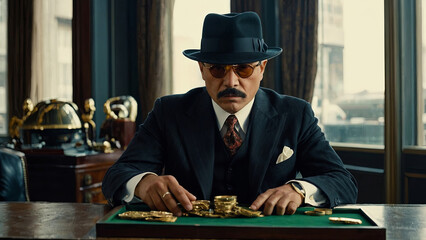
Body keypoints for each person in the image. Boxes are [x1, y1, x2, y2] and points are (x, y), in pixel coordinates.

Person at [102, 11, 357, 216]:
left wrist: (300, 190)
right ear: (202, 69)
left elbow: (342, 181)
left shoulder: (296, 114)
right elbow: (116, 176)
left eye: (243, 69)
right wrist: (144, 182)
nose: (231, 81)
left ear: (262, 68)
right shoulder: (168, 113)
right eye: (217, 70)